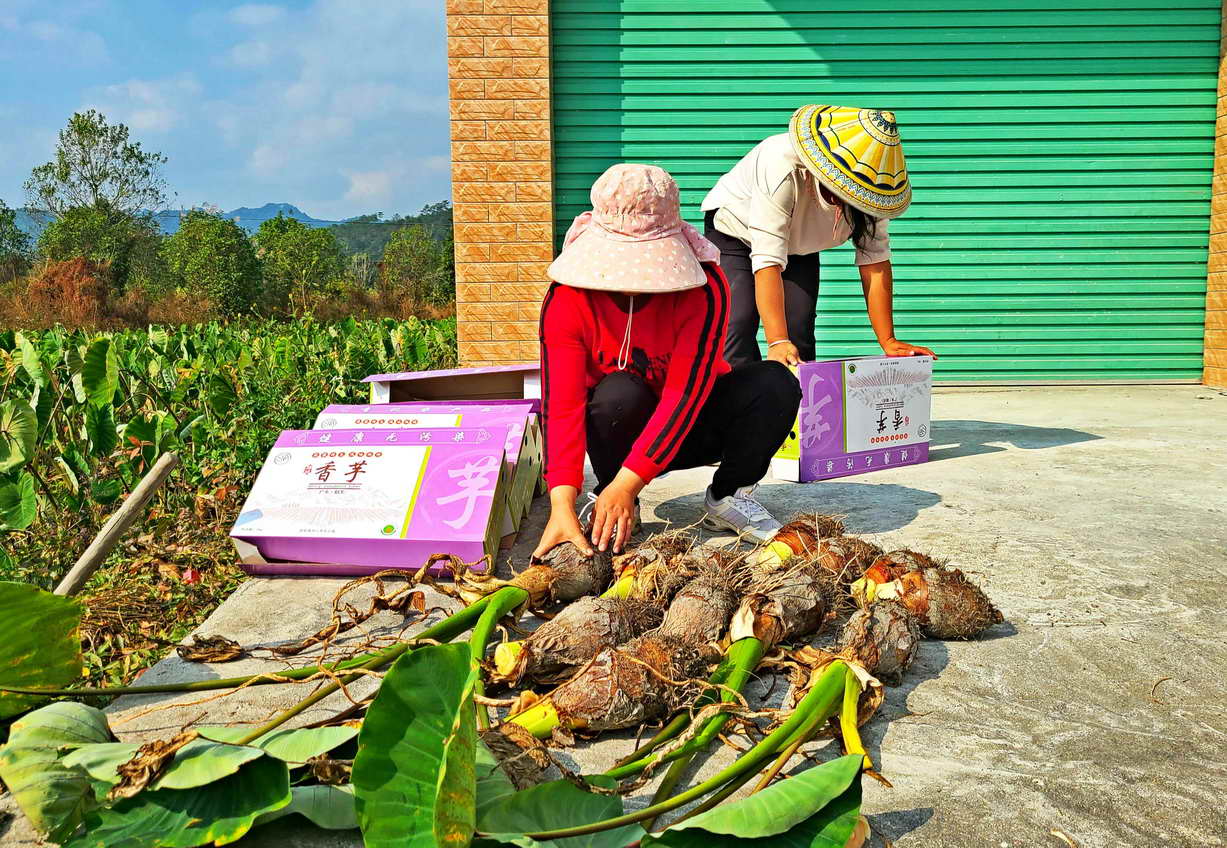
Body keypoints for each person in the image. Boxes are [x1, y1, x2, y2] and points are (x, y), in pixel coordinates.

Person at [533, 163, 802, 559]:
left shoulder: (704, 289)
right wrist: (562, 503)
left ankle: (726, 496)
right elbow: (562, 406)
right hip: (620, 430)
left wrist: (632, 481)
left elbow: (685, 394)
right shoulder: (567, 299)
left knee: (775, 383)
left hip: (693, 425)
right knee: (617, 391)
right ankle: (613, 498)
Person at [701, 104, 936, 368]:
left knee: (798, 328)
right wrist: (777, 341)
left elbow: (875, 262)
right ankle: (734, 403)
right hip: (735, 230)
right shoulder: (782, 167)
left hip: (798, 243)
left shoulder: (873, 189)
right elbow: (767, 260)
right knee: (737, 323)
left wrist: (888, 340)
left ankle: (795, 406)